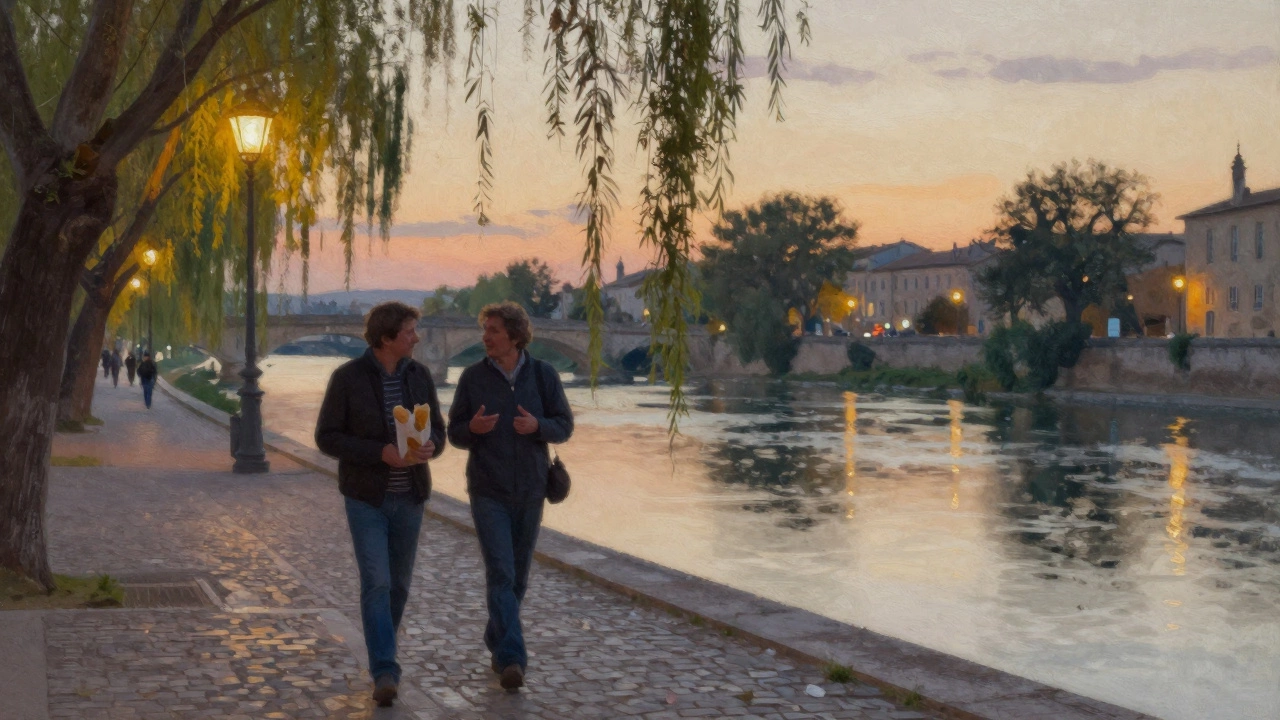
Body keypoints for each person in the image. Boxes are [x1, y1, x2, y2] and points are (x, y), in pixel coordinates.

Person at [314, 302, 445, 708]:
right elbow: (327, 437)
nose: (416, 338)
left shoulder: (420, 376)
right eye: (409, 331)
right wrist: (379, 452)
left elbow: (437, 430)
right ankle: (384, 670)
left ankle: (381, 652)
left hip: (410, 497)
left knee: (399, 587)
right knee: (377, 582)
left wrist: (431, 447)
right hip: (366, 499)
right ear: (387, 337)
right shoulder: (348, 378)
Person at [447, 302, 573, 692]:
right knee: (501, 572)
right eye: (486, 330)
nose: (486, 337)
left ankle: (496, 637)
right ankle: (513, 659)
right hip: (488, 490)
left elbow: (564, 426)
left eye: (494, 331)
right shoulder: (472, 378)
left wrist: (539, 426)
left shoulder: (544, 375)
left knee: (518, 578)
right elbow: (453, 433)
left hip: (532, 489)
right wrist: (474, 427)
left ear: (515, 336)